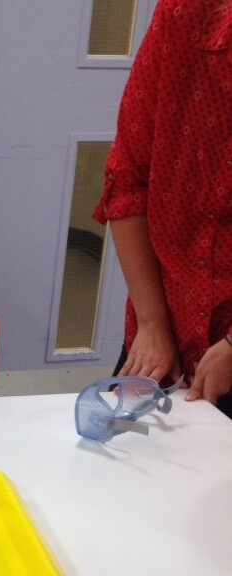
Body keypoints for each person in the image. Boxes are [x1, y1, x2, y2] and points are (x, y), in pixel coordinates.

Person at [94, 0, 232, 417]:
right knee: (120, 452)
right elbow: (127, 179)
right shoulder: (184, 14)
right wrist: (153, 323)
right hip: (165, 325)